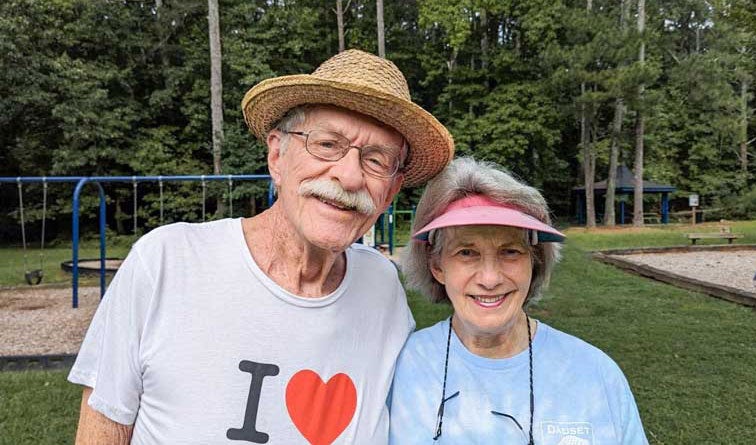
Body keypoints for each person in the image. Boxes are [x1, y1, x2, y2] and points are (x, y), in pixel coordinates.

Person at [68, 49, 454, 444]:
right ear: (276, 156)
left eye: (376, 160)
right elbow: (104, 427)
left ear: (389, 193)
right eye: (327, 144)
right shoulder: (168, 261)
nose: (350, 176)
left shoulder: (382, 287)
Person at [389, 158, 648, 445]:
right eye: (466, 252)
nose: (490, 278)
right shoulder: (399, 368)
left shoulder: (596, 374)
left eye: (510, 251)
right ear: (437, 267)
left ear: (534, 261)